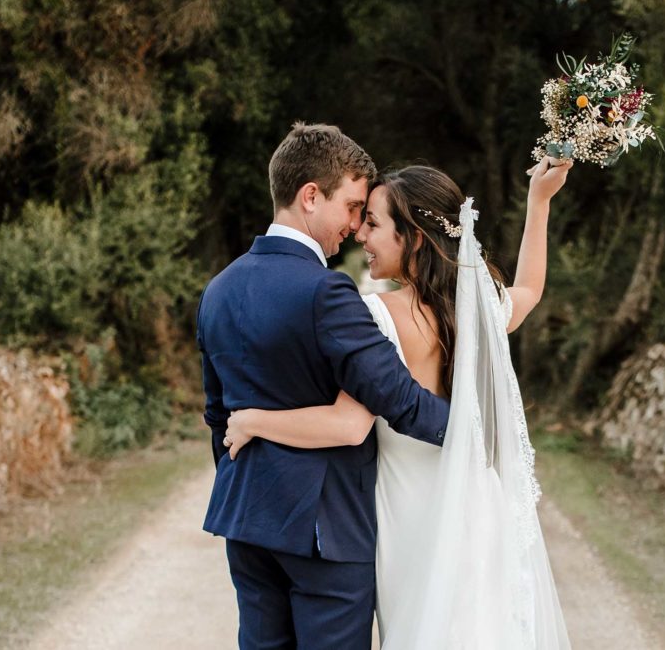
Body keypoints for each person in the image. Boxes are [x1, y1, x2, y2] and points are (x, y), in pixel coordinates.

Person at [225, 159, 574, 648]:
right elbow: (531, 290)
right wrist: (541, 202)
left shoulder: (377, 314)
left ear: (412, 237)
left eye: (372, 223)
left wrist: (255, 421)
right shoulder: (482, 301)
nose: (359, 235)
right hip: (476, 502)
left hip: (411, 514)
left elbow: (348, 424)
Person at [196, 122, 453, 650]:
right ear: (310, 196)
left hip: (247, 526)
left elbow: (217, 416)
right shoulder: (327, 291)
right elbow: (399, 401)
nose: (357, 226)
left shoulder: (217, 290)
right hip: (324, 533)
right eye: (354, 206)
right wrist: (481, 434)